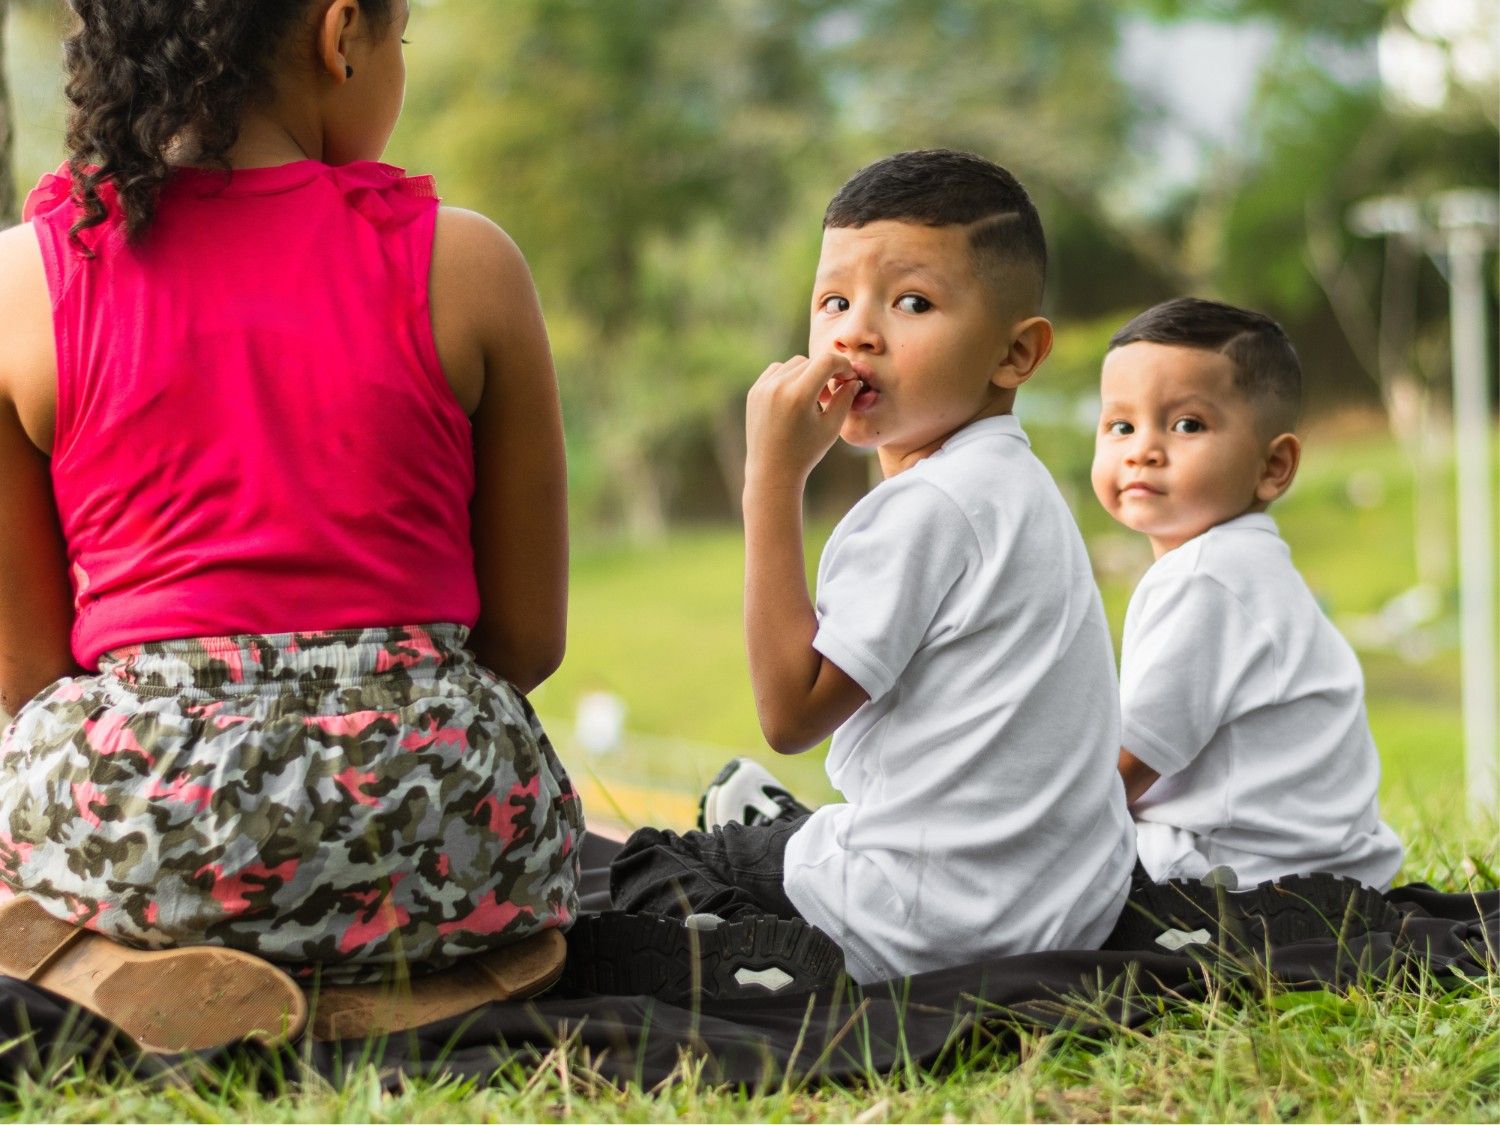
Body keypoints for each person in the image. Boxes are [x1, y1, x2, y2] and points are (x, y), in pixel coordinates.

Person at [0, 0, 582, 1051]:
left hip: (152, 841)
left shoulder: (19, 286)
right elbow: (528, 644)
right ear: (342, 32)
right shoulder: (470, 263)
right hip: (448, 833)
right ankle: (418, 983)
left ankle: (94, 967)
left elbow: (27, 670)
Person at [608, 149, 1137, 987]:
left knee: (644, 869)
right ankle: (786, 835)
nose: (856, 332)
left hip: (938, 925)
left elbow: (789, 714)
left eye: (913, 302)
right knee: (749, 826)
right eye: (835, 302)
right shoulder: (1012, 480)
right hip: (1067, 900)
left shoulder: (927, 507)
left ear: (1016, 353)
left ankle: (783, 961)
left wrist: (771, 480)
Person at [1091, 297, 1404, 892]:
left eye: (1187, 425)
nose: (1142, 450)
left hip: (1249, 880)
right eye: (1121, 426)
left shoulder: (1208, 578)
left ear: (1274, 465)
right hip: (1317, 867)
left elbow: (1124, 768)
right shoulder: (1241, 560)